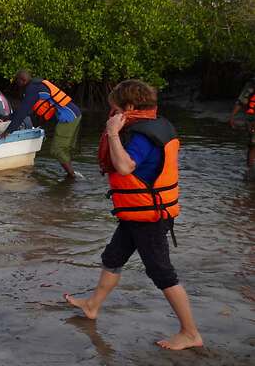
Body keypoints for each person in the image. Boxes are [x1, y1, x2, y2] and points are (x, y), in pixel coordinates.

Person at [65, 79, 202, 351]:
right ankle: (92, 306)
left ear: (128, 107)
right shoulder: (158, 125)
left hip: (149, 217)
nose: (111, 115)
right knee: (113, 257)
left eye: (114, 110)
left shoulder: (140, 136)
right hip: (139, 213)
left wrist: (113, 134)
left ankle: (190, 332)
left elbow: (125, 167)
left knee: (161, 272)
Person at [0, 70, 82, 178]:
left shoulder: (32, 89)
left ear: (23, 80)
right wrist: (8, 118)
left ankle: (72, 177)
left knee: (57, 150)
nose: (16, 83)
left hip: (70, 117)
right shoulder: (36, 85)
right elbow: (25, 110)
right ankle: (70, 177)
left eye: (17, 80)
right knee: (62, 149)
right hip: (74, 114)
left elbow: (23, 113)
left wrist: (7, 131)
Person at [228, 75, 255, 170]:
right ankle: (250, 170)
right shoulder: (252, 84)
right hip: (252, 119)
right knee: (253, 144)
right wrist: (232, 117)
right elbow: (241, 101)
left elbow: (241, 101)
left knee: (253, 145)